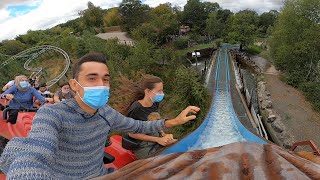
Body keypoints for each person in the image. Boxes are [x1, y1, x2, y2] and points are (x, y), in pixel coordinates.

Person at [0, 52, 200, 179]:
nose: (101, 85)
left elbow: (137, 126)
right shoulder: (51, 114)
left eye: (105, 79)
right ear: (74, 85)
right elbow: (37, 152)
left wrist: (175, 121)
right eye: (92, 78)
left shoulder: (105, 113)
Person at [118, 74, 177, 159]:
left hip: (157, 138)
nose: (162, 94)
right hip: (143, 145)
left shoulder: (155, 102)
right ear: (148, 91)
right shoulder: (137, 108)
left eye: (162, 90)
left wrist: (163, 134)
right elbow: (132, 134)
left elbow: (156, 120)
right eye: (159, 91)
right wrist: (158, 140)